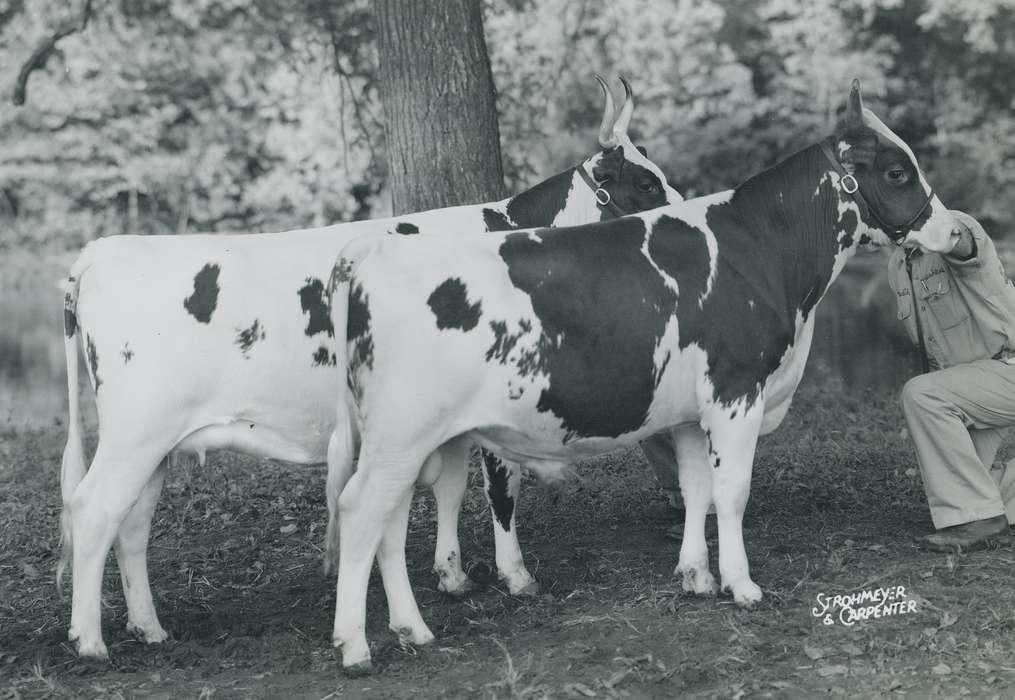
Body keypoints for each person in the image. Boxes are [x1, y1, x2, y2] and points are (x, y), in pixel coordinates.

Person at [894, 210, 1015, 551]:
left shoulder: (953, 228)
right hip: (973, 387)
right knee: (967, 484)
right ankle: (985, 512)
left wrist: (940, 229)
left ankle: (983, 523)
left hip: (1007, 366)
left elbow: (962, 243)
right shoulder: (896, 266)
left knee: (922, 394)